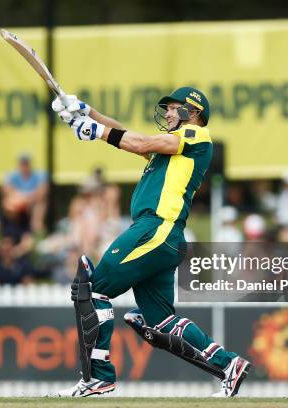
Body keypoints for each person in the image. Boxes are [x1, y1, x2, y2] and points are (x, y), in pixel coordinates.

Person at [51, 87, 250, 397]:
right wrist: (85, 111)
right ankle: (229, 365)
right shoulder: (168, 148)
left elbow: (138, 141)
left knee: (94, 289)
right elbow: (127, 134)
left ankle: (98, 377)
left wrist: (94, 131)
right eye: (167, 108)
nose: (168, 113)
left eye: (174, 108)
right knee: (161, 321)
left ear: (193, 112)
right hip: (163, 237)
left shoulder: (196, 135)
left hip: (155, 229)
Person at [1, 153, 49, 234]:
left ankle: (36, 225)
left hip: (33, 203)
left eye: (26, 163)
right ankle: (10, 229)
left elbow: (42, 192)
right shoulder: (11, 176)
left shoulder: (39, 175)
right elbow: (6, 190)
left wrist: (27, 200)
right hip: (17, 203)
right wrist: (21, 200)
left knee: (41, 204)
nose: (24, 166)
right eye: (22, 163)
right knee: (8, 203)